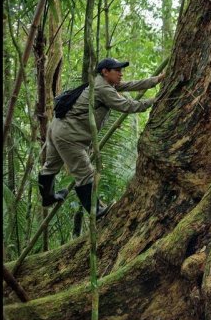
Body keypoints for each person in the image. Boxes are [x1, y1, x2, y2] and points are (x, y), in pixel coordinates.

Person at [37, 57, 164, 218]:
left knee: (51, 165)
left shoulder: (100, 83)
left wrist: (157, 80)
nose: (121, 74)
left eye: (121, 70)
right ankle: (95, 211)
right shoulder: (102, 89)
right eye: (117, 70)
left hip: (56, 128)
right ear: (105, 72)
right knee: (84, 174)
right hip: (69, 135)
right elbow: (127, 105)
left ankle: (48, 198)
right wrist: (154, 101)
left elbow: (131, 85)